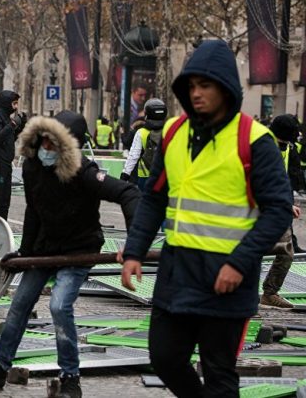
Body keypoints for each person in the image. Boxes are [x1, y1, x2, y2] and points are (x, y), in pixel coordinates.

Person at [120, 40, 292, 397]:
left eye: (205, 85)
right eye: (191, 86)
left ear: (226, 87)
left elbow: (278, 210)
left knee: (219, 373)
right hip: (177, 271)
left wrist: (240, 263)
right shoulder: (173, 132)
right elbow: (153, 198)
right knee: (165, 358)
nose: (196, 93)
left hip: (228, 278)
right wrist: (134, 250)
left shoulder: (255, 140)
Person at [0, 111, 140, 395]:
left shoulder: (85, 172)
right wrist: (24, 254)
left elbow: (129, 194)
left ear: (68, 147)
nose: (45, 148)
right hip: (46, 247)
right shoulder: (33, 166)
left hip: (79, 249)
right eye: (43, 141)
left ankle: (70, 378)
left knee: (59, 305)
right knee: (20, 303)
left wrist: (134, 246)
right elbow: (34, 211)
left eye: (52, 144)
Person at [260, 114, 304, 308]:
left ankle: (269, 293)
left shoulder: (284, 148)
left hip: (278, 208)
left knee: (286, 251)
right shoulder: (263, 147)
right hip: (260, 209)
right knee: (251, 250)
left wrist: (288, 203)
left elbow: (280, 179)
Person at [0, 90, 26, 220]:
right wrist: (13, 124)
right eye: (14, 103)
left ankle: (2, 224)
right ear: (6, 103)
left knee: (5, 199)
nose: (16, 107)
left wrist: (20, 126)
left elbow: (9, 139)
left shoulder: (7, 119)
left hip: (6, 164)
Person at [120, 99, 167, 190]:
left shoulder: (141, 132)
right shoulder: (168, 131)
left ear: (147, 114)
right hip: (163, 176)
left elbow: (133, 156)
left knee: (144, 198)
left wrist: (125, 175)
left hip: (144, 176)